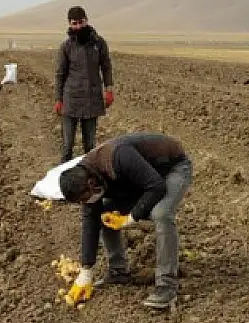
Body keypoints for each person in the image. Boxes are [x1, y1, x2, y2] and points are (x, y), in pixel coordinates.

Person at [58, 132, 193, 309]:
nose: (86, 203)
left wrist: (132, 217)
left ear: (91, 183)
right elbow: (90, 222)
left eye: (85, 198)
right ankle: (118, 271)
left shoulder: (118, 157)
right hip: (138, 181)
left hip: (171, 168)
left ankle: (166, 286)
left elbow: (156, 186)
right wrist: (86, 270)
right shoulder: (85, 178)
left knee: (161, 214)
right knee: (105, 213)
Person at [54, 5, 114, 163]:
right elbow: (60, 74)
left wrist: (109, 90)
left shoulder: (99, 43)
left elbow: (106, 67)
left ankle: (90, 180)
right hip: (71, 101)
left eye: (81, 22)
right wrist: (58, 100)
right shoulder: (66, 47)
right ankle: (62, 181)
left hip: (91, 100)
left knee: (90, 147)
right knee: (67, 147)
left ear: (87, 20)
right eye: (74, 23)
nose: (78, 26)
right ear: (69, 24)